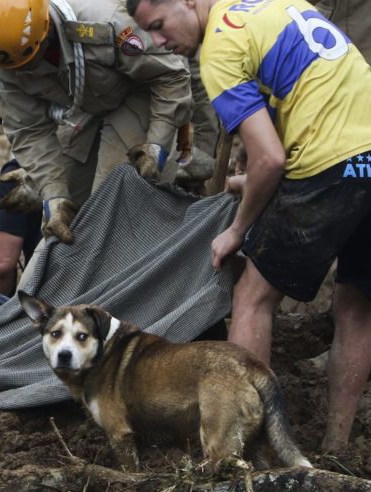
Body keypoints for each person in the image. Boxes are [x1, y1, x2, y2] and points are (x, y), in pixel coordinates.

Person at [128, 0, 371, 453]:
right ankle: (337, 447)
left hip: (330, 162)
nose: (160, 43)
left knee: (252, 296)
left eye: (158, 26)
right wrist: (254, 178)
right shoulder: (273, 4)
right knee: (355, 305)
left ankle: (245, 448)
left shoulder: (219, 46)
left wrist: (237, 229)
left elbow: (271, 158)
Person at [0, 0, 193, 245]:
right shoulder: (3, 59)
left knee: (109, 212)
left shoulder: (104, 21)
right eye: (15, 68)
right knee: (63, 223)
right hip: (83, 109)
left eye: (28, 63)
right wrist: (54, 195)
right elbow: (29, 130)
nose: (22, 73)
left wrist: (157, 145)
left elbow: (171, 75)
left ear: (46, 33)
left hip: (139, 94)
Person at [0, 159, 43, 297]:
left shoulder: (20, 173)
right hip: (97, 299)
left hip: (45, 306)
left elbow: (2, 264)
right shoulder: (100, 175)